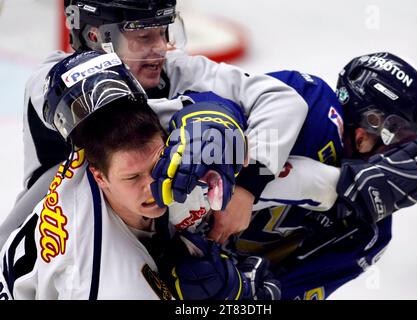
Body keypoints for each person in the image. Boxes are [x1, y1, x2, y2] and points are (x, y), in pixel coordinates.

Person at [0, 0, 313, 247]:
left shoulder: (172, 68)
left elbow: (282, 99)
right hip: (61, 244)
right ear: (96, 37)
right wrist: (212, 113)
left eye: (164, 32)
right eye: (144, 36)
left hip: (148, 234)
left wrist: (250, 184)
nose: (161, 47)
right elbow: (115, 123)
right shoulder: (52, 79)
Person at [0, 51, 278, 300]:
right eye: (133, 178)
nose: (152, 187)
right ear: (98, 177)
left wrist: (217, 120)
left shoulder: (114, 142)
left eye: (157, 164)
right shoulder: (105, 277)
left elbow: (257, 113)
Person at [223, 52, 417, 299]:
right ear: (369, 127)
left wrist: (240, 293)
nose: (404, 160)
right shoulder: (309, 106)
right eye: (402, 141)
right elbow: (207, 151)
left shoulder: (371, 232)